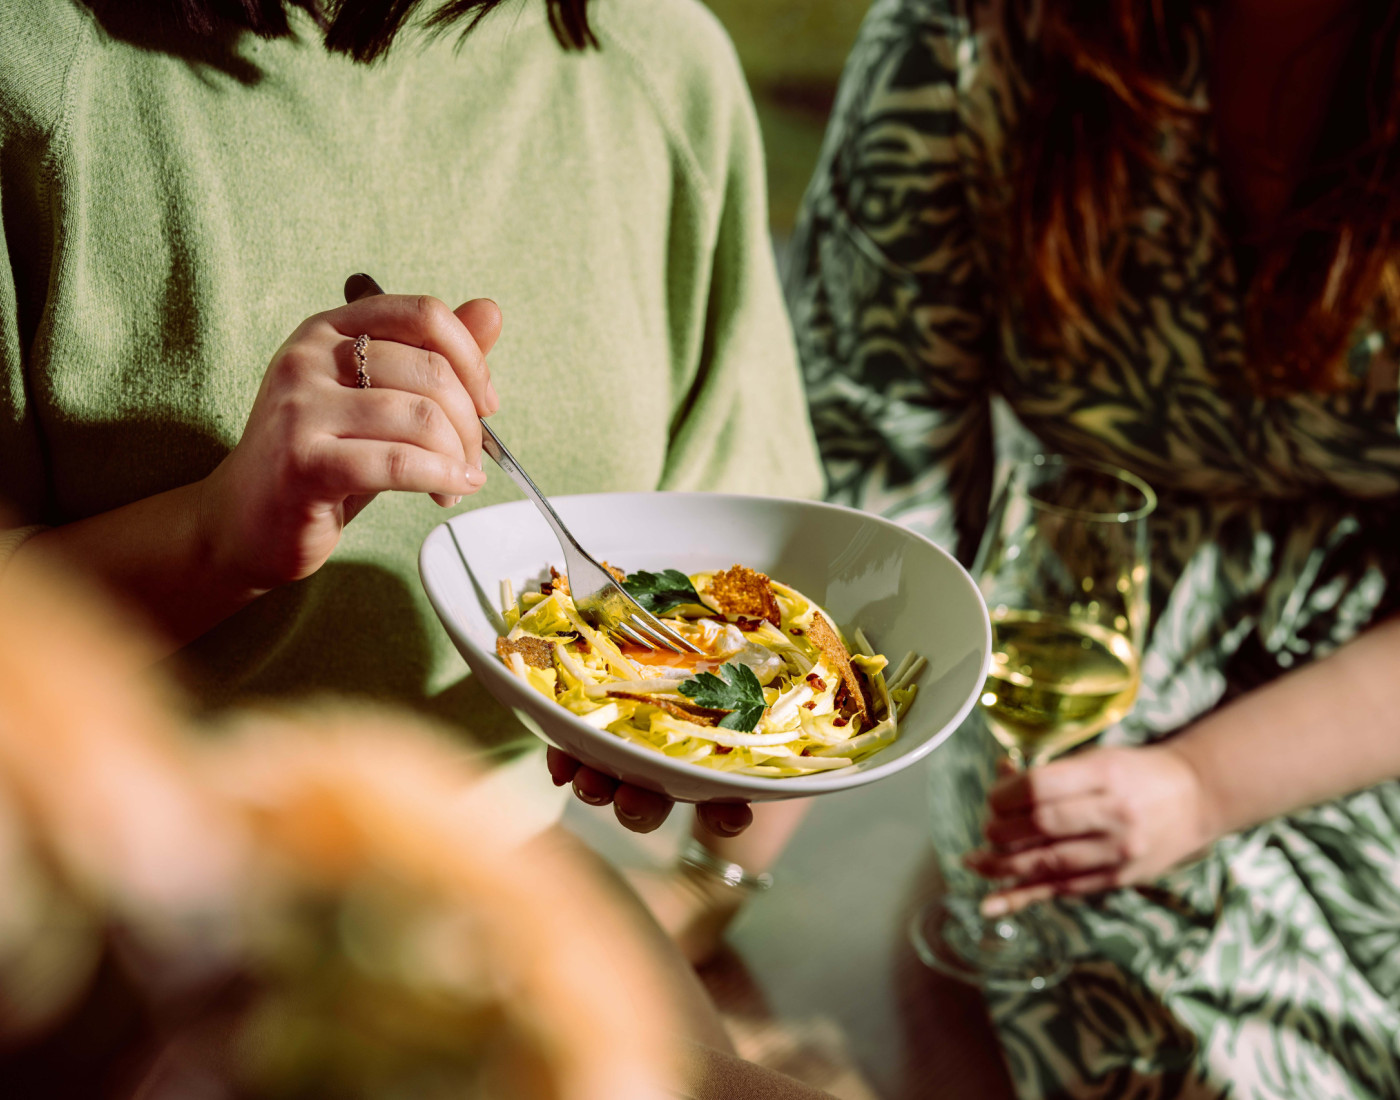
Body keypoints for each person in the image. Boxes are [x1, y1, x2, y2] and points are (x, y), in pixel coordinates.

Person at [0, 0, 821, 871]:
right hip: (103, 890)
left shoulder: (657, 55)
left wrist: (704, 894)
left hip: (527, 880)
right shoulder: (34, 62)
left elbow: (784, 585)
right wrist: (212, 540)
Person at [788, 0, 1400, 1096]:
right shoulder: (965, 42)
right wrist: (736, 812)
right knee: (1200, 1059)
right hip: (1079, 644)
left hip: (1369, 694)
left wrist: (1205, 784)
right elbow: (875, 479)